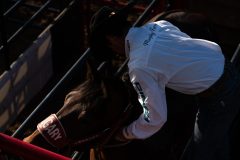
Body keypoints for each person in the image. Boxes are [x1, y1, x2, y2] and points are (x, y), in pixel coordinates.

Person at [89, 6, 240, 160]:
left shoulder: (139, 66)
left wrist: (125, 133)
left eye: (109, 47)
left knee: (199, 154)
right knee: (216, 141)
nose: (114, 51)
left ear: (111, 39)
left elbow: (155, 118)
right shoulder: (158, 25)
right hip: (226, 69)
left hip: (219, 96)